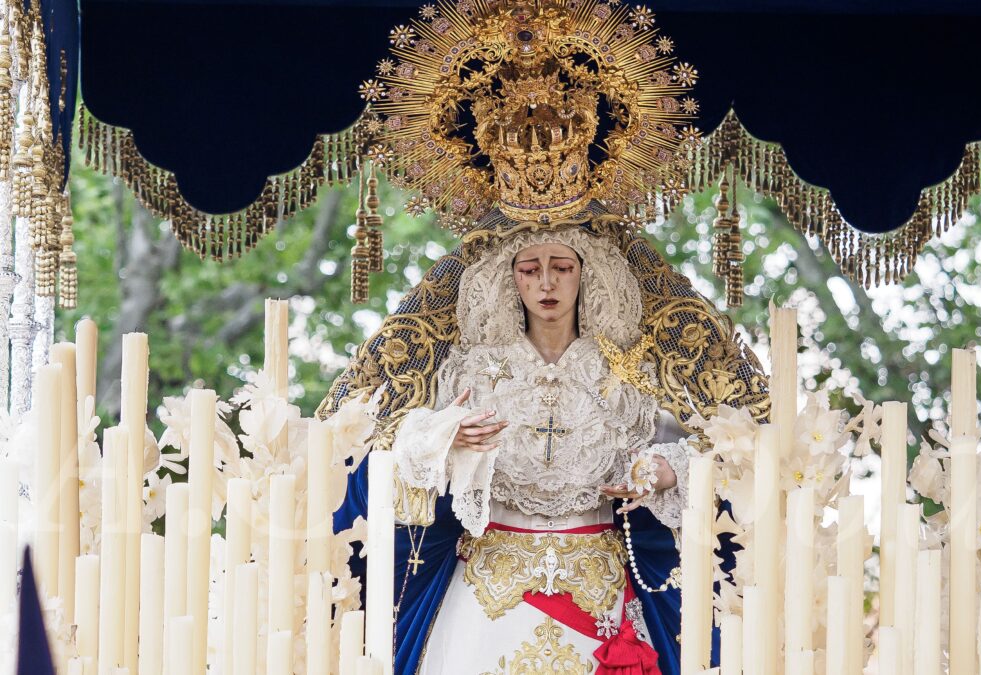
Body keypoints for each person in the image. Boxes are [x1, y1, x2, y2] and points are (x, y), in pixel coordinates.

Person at [317, 2, 769, 672]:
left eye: (562, 267)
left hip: (604, 594)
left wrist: (668, 473)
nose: (548, 283)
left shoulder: (628, 369)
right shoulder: (478, 363)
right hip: (487, 590)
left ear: (588, 274)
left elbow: (723, 449)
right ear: (511, 279)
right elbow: (389, 446)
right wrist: (446, 436)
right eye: (531, 269)